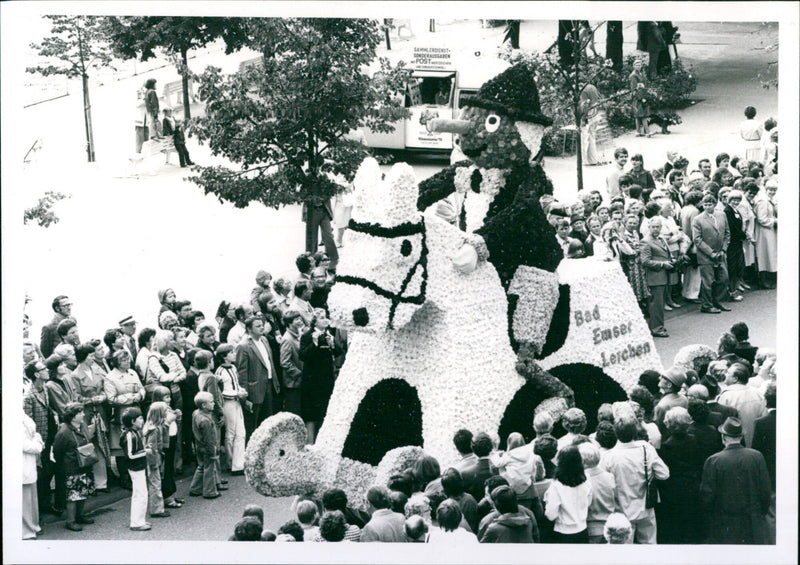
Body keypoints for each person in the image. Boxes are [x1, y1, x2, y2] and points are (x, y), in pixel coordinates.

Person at [700, 417, 771, 544]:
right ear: (741, 437)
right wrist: (761, 513)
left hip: (724, 522)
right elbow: (765, 490)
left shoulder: (713, 460)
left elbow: (707, 496)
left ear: (723, 437)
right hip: (751, 521)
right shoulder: (757, 456)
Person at [600, 416, 669, 544]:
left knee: (624, 549)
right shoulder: (646, 449)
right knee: (649, 548)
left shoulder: (608, 457)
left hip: (621, 511)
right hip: (645, 507)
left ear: (616, 433)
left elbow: (604, 485)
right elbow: (664, 474)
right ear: (635, 432)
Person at [656, 407, 704, 544]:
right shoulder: (694, 440)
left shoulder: (666, 446)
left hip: (673, 489)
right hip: (692, 485)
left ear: (669, 425)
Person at [70, 342, 110, 492]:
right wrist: (92, 400)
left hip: (100, 412)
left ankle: (102, 482)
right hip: (85, 414)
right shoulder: (75, 375)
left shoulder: (97, 370)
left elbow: (107, 387)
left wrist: (104, 397)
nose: (93, 358)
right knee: (87, 446)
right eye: (91, 356)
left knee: (101, 445)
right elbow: (76, 397)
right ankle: (89, 483)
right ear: (83, 357)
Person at [52, 402, 96, 531]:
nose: (83, 414)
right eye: (80, 412)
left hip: (84, 466)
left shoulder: (81, 426)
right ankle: (70, 521)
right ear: (72, 416)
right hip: (72, 469)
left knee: (83, 492)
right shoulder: (63, 432)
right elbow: (57, 452)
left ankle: (80, 516)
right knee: (73, 496)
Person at [236, 316, 281, 440]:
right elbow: (242, 373)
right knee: (252, 424)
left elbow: (270, 363)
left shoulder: (264, 340)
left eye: (262, 325)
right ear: (249, 329)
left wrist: (275, 382)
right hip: (254, 390)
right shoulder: (243, 346)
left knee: (267, 421)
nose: (262, 328)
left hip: (269, 385)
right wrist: (245, 396)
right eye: (258, 326)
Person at [299, 309, 338, 443]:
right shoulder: (307, 335)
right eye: (322, 317)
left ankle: (323, 442)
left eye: (326, 317)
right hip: (312, 381)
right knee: (311, 414)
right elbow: (303, 355)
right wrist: (314, 343)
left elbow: (338, 352)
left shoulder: (328, 334)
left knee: (325, 412)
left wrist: (332, 344)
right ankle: (310, 443)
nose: (325, 320)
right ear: (315, 321)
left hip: (326, 380)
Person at [543, 445, 592, 543]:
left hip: (563, 532)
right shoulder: (586, 478)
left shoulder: (556, 486)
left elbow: (551, 515)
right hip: (583, 530)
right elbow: (589, 502)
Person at [692, 194, 732, 313]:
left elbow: (727, 234)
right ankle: (706, 305)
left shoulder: (722, 215)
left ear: (714, 204)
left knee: (724, 279)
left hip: (721, 254)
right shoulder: (698, 219)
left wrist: (723, 249)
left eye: (710, 204)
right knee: (708, 282)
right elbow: (697, 239)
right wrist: (711, 253)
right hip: (706, 256)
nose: (707, 207)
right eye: (705, 205)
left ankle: (717, 301)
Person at [213, 344, 247, 476]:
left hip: (237, 402)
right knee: (230, 433)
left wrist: (241, 391)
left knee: (241, 432)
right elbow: (220, 392)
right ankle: (230, 462)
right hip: (228, 404)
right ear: (224, 357)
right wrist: (236, 394)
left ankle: (239, 463)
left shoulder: (233, 367)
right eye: (231, 353)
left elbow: (236, 385)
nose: (234, 354)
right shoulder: (219, 372)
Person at [717, 363, 766, 448]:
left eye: (728, 373)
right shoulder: (758, 393)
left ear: (735, 379)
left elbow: (721, 421)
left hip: (734, 445)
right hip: (756, 443)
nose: (725, 374)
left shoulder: (726, 396)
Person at [639, 216, 673, 338]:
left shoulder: (661, 238)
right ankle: (656, 328)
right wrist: (663, 264)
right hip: (654, 278)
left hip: (663, 276)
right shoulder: (645, 241)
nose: (655, 229)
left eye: (658, 227)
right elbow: (645, 261)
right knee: (656, 305)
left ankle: (658, 326)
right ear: (648, 227)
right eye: (653, 227)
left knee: (659, 304)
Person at [151, 387, 183, 508]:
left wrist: (177, 417)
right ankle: (166, 497)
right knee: (165, 470)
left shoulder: (168, 408)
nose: (169, 399)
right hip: (164, 444)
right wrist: (169, 420)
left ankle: (170, 494)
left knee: (170, 468)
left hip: (171, 440)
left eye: (169, 397)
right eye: (166, 397)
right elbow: (158, 429)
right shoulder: (157, 410)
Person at [578, 442, 615, 543]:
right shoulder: (610, 477)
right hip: (610, 524)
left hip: (591, 527)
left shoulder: (581, 480)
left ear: (582, 461)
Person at [189, 391, 221, 499]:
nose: (214, 403)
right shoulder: (205, 421)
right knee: (209, 469)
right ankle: (209, 491)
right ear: (204, 405)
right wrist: (213, 451)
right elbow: (209, 439)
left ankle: (195, 488)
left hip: (199, 445)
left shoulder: (196, 413)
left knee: (201, 467)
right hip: (207, 447)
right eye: (211, 402)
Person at [143, 402, 171, 519]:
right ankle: (156, 509)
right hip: (154, 459)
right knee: (155, 483)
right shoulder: (154, 429)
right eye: (165, 411)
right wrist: (154, 463)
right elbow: (151, 448)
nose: (167, 413)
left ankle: (157, 507)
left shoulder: (153, 426)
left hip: (156, 457)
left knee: (155, 482)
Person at [23, 412, 45, 539]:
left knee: (31, 499)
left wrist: (37, 439)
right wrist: (38, 444)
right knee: (24, 501)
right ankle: (26, 531)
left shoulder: (22, 415)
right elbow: (24, 445)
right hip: (23, 462)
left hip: (29, 463)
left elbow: (35, 434)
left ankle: (34, 526)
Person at [753, 179, 777, 289]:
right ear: (766, 189)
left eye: (774, 190)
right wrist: (775, 221)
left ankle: (770, 279)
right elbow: (761, 218)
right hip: (764, 232)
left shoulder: (770, 200)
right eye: (770, 189)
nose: (772, 192)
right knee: (765, 254)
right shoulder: (763, 201)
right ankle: (764, 280)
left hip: (769, 231)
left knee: (770, 255)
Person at [579, 84, 610, 166]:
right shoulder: (592, 87)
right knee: (592, 138)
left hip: (588, 116)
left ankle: (585, 161)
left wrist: (583, 119)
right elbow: (600, 99)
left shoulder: (583, 90)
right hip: (595, 114)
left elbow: (585, 105)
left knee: (584, 139)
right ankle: (593, 160)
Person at [653, 367, 688, 433]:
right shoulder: (685, 399)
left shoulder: (662, 406)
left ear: (669, 385)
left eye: (663, 377)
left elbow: (658, 427)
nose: (660, 378)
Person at [629, 60, 650, 137]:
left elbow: (645, 84)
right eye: (637, 65)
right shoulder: (633, 75)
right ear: (633, 66)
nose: (638, 66)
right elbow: (634, 89)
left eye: (639, 65)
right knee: (643, 115)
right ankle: (647, 132)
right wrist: (641, 98)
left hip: (643, 95)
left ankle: (638, 132)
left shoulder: (641, 74)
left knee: (639, 115)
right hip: (638, 98)